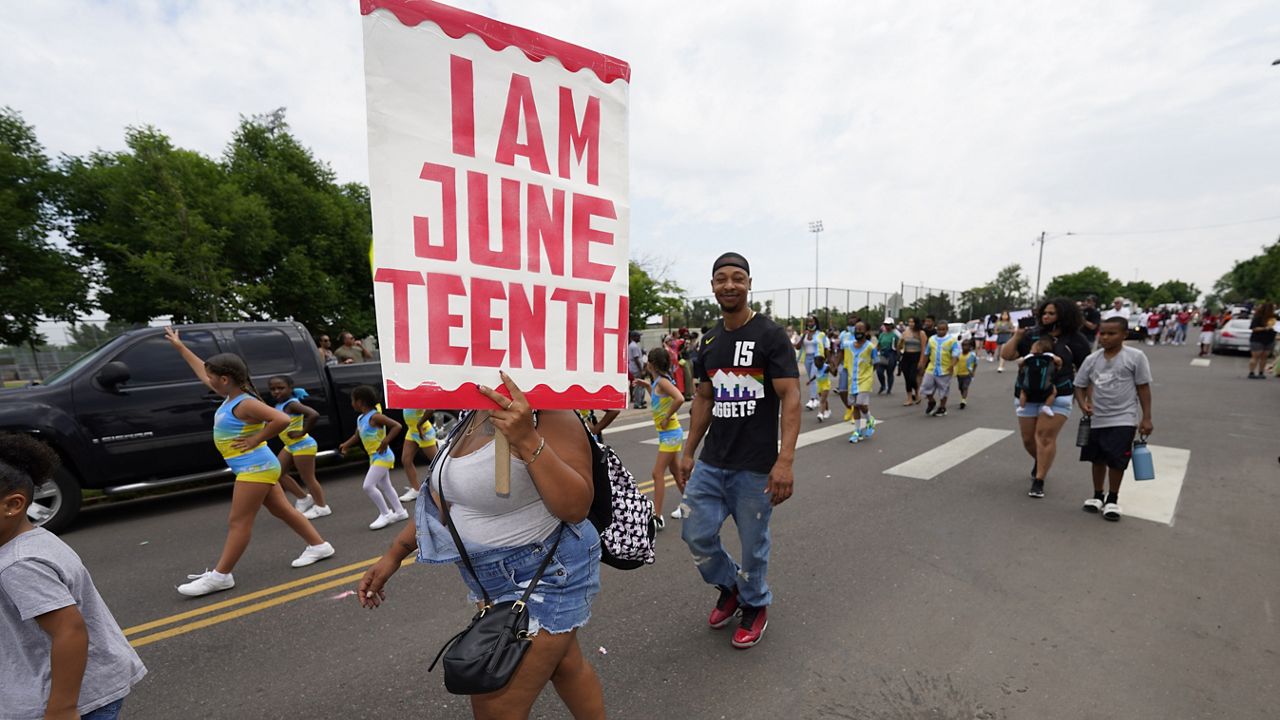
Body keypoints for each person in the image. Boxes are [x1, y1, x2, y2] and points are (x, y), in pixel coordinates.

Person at [358, 372, 604, 718]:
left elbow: (576, 507)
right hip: (491, 579)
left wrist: (526, 438)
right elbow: (444, 498)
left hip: (545, 573)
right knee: (565, 664)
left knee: (494, 703)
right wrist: (394, 555)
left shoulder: (549, 413)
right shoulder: (470, 414)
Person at [677, 252, 800, 650]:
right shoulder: (709, 341)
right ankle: (731, 587)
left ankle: (755, 605)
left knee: (753, 546)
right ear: (712, 286)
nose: (729, 285)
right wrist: (687, 450)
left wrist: (785, 461)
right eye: (721, 279)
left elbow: (791, 397)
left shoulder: (770, 335)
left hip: (755, 467)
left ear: (749, 284)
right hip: (713, 463)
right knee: (695, 534)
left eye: (738, 278)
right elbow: (703, 399)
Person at [164, 328, 335, 597]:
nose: (207, 379)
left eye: (212, 376)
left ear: (225, 378)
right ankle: (319, 545)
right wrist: (180, 348)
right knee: (284, 511)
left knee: (239, 522)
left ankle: (221, 576)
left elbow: (281, 420)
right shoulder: (230, 396)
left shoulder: (244, 403)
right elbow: (202, 371)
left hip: (255, 467)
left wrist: (256, 439)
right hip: (257, 466)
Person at [0, 433, 148, 720]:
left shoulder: (21, 565)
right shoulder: (31, 539)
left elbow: (69, 631)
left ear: (13, 505)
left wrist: (63, 708)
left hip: (68, 699)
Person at [1000, 298, 1092, 499]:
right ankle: (1041, 460)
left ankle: (1039, 480)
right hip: (1026, 393)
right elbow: (1006, 355)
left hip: (1058, 394)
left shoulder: (1076, 340)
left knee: (1044, 437)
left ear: (1064, 316)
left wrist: (1086, 399)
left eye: (1051, 313)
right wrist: (1017, 336)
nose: (1046, 317)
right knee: (1028, 440)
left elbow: (1086, 373)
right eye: (1044, 313)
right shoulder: (1032, 334)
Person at [1074, 317, 1154, 521]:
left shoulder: (1135, 357)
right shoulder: (1092, 359)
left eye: (1112, 333)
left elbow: (1143, 387)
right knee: (1097, 458)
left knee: (1117, 460)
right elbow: (1079, 384)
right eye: (1103, 333)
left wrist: (1146, 418)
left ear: (1124, 335)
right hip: (1096, 418)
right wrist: (1083, 404)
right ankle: (1097, 494)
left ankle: (1113, 498)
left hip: (1124, 417)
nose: (1106, 338)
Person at [339, 386, 409, 530]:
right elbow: (357, 436)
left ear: (360, 402)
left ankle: (386, 514)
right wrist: (346, 445)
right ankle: (400, 512)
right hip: (375, 456)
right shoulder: (361, 418)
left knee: (368, 486)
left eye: (353, 400)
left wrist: (385, 442)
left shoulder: (375, 416)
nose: (351, 403)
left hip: (383, 456)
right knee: (385, 485)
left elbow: (397, 426)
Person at [631, 347, 685, 529]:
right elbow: (657, 396)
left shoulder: (662, 382)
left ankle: (657, 517)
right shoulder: (656, 383)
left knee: (657, 473)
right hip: (667, 434)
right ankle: (693, 507)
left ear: (652, 365)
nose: (645, 363)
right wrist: (645, 385)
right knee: (677, 474)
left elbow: (679, 398)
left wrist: (667, 416)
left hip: (670, 434)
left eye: (647, 361)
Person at [267, 376, 331, 519]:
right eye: (273, 389)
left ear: (290, 388)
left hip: (303, 445)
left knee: (308, 478)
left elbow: (313, 414)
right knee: (277, 473)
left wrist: (302, 431)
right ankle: (303, 498)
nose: (276, 392)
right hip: (290, 446)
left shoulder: (292, 404)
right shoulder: (279, 405)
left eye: (280, 388)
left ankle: (321, 507)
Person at [842, 321, 879, 442]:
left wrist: (870, 374)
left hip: (865, 380)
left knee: (861, 404)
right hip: (852, 381)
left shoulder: (870, 347)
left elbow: (876, 361)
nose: (858, 332)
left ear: (866, 332)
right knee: (855, 406)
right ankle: (857, 431)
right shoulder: (849, 345)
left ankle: (869, 418)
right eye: (856, 329)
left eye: (861, 330)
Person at [918, 319, 960, 417]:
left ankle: (942, 407)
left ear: (947, 329)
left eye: (943, 330)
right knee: (925, 387)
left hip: (945, 370)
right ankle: (931, 401)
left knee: (943, 389)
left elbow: (955, 354)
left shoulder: (952, 341)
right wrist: (922, 366)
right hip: (931, 368)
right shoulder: (932, 339)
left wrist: (951, 366)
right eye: (939, 329)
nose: (941, 331)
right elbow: (926, 354)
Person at [397, 408, 439, 503]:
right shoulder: (406, 393)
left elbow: (431, 409)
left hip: (423, 431)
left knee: (437, 462)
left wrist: (420, 423)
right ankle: (416, 490)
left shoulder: (417, 394)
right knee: (406, 460)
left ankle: (450, 487)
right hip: (412, 431)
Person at [1016, 337, 1062, 416]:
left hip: (1030, 382)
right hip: (1046, 383)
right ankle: (1047, 406)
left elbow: (1020, 362)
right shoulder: (1049, 355)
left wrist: (1021, 367)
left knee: (1023, 392)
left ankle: (1022, 406)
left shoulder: (1030, 356)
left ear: (1037, 349)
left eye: (1032, 348)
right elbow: (1058, 360)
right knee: (1053, 392)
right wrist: (1059, 366)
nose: (1030, 350)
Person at [794, 315, 829, 410]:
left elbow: (826, 347)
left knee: (814, 378)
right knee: (812, 378)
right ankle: (820, 400)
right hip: (807, 358)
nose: (810, 323)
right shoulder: (804, 334)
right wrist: (803, 337)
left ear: (816, 323)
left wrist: (826, 361)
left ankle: (812, 399)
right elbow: (797, 347)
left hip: (817, 358)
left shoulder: (820, 334)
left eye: (812, 321)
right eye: (808, 322)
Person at [898, 317, 925, 405]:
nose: (911, 324)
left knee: (912, 377)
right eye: (909, 322)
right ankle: (909, 398)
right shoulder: (905, 333)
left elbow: (923, 348)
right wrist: (901, 341)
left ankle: (917, 392)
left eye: (912, 322)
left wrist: (921, 361)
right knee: (907, 378)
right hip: (906, 356)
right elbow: (899, 347)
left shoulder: (921, 333)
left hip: (916, 356)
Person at [1248, 303, 1276, 379]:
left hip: (1269, 339)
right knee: (1256, 356)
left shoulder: (1274, 318)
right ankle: (1251, 372)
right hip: (1258, 339)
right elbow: (1253, 328)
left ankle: (1261, 372)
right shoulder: (1258, 317)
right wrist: (1264, 328)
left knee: (1265, 356)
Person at [875, 319, 899, 394]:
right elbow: (878, 345)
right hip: (883, 354)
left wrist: (898, 356)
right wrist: (875, 352)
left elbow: (897, 346)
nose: (887, 326)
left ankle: (889, 388)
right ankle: (883, 385)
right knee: (879, 371)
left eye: (888, 324)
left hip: (891, 353)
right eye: (885, 324)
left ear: (892, 325)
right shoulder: (882, 335)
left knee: (890, 372)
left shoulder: (895, 335)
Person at [955, 338, 979, 409]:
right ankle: (963, 396)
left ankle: (963, 400)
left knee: (965, 387)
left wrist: (973, 372)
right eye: (963, 345)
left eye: (966, 346)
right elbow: (955, 362)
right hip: (959, 374)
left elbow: (975, 364)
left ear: (970, 347)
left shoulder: (972, 355)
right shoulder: (958, 354)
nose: (964, 347)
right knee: (960, 388)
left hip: (967, 374)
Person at [628, 331, 646, 409]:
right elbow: (636, 359)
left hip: (634, 368)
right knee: (638, 386)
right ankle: (638, 403)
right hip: (636, 369)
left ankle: (640, 400)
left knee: (639, 385)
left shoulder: (633, 345)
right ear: (633, 337)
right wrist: (641, 370)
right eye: (638, 336)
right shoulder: (634, 346)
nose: (639, 338)